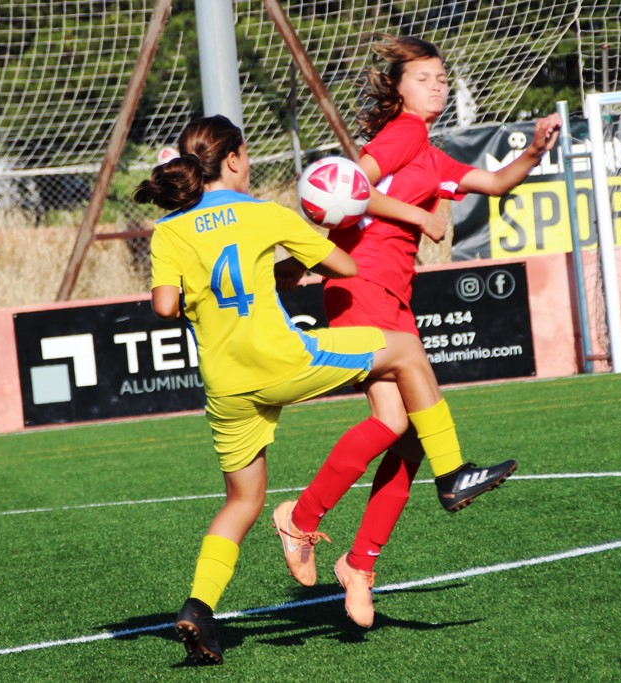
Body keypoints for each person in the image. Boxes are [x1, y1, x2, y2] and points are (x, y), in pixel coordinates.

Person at [134, 114, 516, 665]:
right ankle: (452, 473)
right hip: (284, 361)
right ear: (235, 159)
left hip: (226, 384)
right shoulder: (264, 213)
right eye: (247, 156)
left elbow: (166, 306)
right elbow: (345, 265)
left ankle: (199, 609)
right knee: (407, 352)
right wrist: (307, 245)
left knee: (241, 502)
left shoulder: (169, 229)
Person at [271, 35, 563, 628]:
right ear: (399, 88)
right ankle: (302, 518)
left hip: (393, 296)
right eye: (424, 77)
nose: (437, 86)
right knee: (393, 422)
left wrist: (534, 151)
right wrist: (419, 216)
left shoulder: (429, 153)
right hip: (361, 285)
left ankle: (359, 565)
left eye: (442, 78)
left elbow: (495, 184)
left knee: (407, 439)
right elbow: (350, 189)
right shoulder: (402, 133)